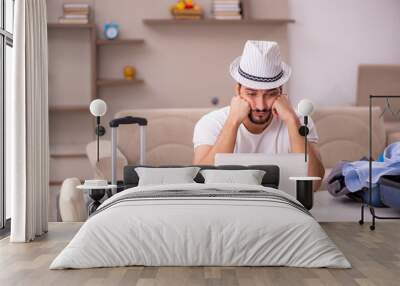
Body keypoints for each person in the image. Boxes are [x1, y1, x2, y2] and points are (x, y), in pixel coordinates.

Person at [192, 40, 325, 190]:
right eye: (251, 93)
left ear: (281, 92)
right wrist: (233, 122)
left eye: (270, 94)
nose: (261, 105)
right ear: (238, 90)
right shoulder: (212, 122)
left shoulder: (300, 121)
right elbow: (201, 182)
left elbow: (312, 185)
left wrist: (291, 120)